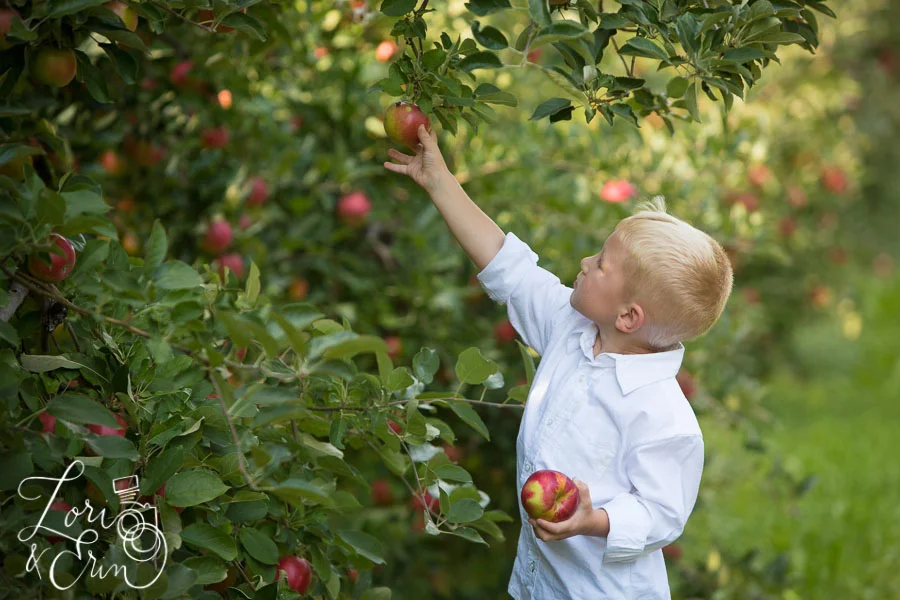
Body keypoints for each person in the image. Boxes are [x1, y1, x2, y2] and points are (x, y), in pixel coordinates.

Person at [384, 125, 734, 599]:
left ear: (629, 317)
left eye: (603, 264)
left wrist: (594, 520)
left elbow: (662, 513)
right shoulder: (572, 328)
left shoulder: (663, 417)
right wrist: (439, 180)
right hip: (539, 585)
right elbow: (510, 269)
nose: (587, 261)